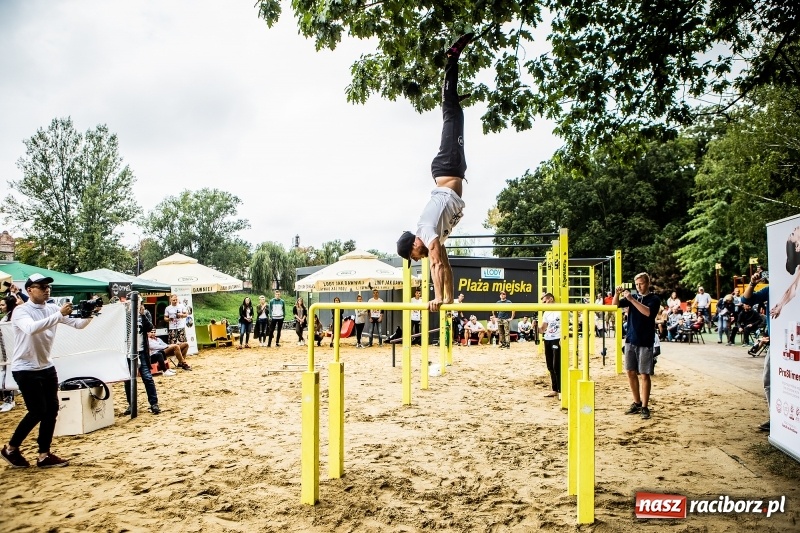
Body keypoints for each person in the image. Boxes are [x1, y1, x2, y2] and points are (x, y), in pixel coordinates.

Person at [396, 33, 474, 312]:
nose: (417, 259)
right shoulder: (435, 237)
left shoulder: (426, 230)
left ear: (414, 244)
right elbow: (447, 265)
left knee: (449, 112)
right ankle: (453, 98)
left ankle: (451, 59)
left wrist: (437, 298)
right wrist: (449, 298)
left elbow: (436, 264)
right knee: (457, 115)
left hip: (447, 166)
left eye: (414, 256)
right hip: (452, 170)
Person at [1, 274, 93, 468]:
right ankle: (10, 448)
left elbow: (78, 325)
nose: (46, 289)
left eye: (48, 286)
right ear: (29, 290)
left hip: (46, 366)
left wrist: (90, 313)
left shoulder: (51, 308)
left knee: (51, 410)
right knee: (37, 411)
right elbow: (31, 328)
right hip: (25, 368)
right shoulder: (21, 311)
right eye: (41, 286)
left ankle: (44, 455)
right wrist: (59, 315)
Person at [613, 273, 660, 420]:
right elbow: (614, 306)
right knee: (630, 371)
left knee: (644, 374)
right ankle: (637, 402)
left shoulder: (654, 299)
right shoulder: (632, 297)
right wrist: (617, 293)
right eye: (636, 284)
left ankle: (645, 406)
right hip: (630, 339)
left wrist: (631, 300)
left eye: (641, 283)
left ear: (647, 283)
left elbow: (648, 313)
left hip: (645, 340)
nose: (638, 287)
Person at [742, 269, 771, 432]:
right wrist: (752, 283)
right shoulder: (770, 290)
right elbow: (746, 299)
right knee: (769, 381)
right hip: (775, 343)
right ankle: (775, 417)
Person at [124, 305, 160, 417]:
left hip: (141, 351)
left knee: (147, 377)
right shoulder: (125, 314)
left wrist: (143, 315)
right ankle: (131, 404)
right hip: (128, 351)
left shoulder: (145, 313)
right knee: (128, 379)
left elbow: (149, 327)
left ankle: (154, 403)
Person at [539, 293, 561, 397]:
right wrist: (536, 327)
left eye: (545, 301)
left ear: (551, 299)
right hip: (548, 338)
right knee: (550, 365)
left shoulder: (560, 310)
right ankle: (555, 389)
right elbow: (542, 329)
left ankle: (560, 389)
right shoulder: (546, 313)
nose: (544, 304)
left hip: (557, 338)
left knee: (557, 365)